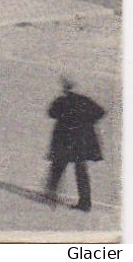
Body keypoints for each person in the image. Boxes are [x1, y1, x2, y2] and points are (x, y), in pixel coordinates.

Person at [45, 76, 105, 211]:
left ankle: (51, 195)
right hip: (81, 141)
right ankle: (85, 202)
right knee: (81, 171)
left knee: (58, 167)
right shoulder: (85, 101)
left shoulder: (61, 101)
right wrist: (87, 121)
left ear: (66, 89)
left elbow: (51, 113)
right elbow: (100, 112)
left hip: (65, 139)